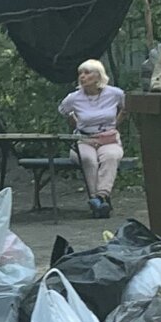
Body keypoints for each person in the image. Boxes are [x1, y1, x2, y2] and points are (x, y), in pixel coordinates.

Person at [60, 57, 125, 214]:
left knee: (110, 157)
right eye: (80, 73)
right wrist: (76, 124)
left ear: (98, 75)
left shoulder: (115, 93)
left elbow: (126, 108)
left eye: (87, 73)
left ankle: (101, 197)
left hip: (108, 139)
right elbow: (64, 111)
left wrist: (115, 124)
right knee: (89, 160)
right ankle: (97, 200)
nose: (82, 76)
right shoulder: (74, 97)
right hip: (84, 140)